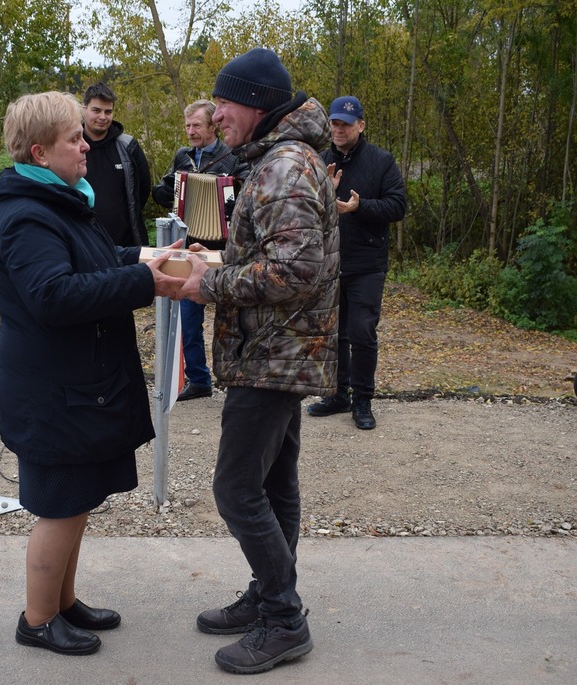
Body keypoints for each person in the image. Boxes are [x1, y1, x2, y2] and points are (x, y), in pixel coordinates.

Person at [0, 91, 184, 657]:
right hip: (53, 392)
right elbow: (53, 295)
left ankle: (63, 601)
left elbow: (95, 260)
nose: (86, 148)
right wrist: (148, 284)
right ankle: (38, 618)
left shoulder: (61, 202)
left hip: (78, 387)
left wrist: (145, 258)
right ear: (40, 152)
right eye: (75, 139)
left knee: (78, 501)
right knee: (60, 507)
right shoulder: (27, 216)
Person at [177, 48, 339, 675]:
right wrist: (217, 259)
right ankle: (267, 594)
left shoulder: (284, 169)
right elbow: (283, 257)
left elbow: (295, 271)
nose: (215, 114)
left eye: (222, 102)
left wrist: (206, 284)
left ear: (255, 104)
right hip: (280, 348)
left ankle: (283, 617)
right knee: (275, 484)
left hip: (274, 351)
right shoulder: (284, 159)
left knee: (237, 487)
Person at [307, 96, 407, 430]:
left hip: (367, 262)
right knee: (333, 333)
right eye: (334, 123)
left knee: (362, 332)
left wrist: (359, 208)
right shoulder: (320, 160)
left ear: (360, 126)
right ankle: (338, 394)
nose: (338, 129)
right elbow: (305, 209)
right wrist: (326, 195)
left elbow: (397, 207)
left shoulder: (381, 162)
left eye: (345, 124)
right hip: (330, 262)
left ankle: (362, 400)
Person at [152, 99, 250, 401]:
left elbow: (246, 193)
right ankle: (199, 380)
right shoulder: (183, 156)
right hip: (189, 244)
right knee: (188, 318)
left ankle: (240, 379)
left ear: (212, 126)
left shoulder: (233, 156)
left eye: (196, 125)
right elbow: (162, 190)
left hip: (224, 248)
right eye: (187, 126)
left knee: (235, 320)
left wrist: (228, 194)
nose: (191, 131)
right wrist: (168, 191)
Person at [81, 83, 151, 247]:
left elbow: (143, 189)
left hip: (124, 244)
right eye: (96, 110)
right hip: (84, 243)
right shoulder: (71, 145)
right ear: (84, 109)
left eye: (108, 111)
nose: (103, 117)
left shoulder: (128, 146)